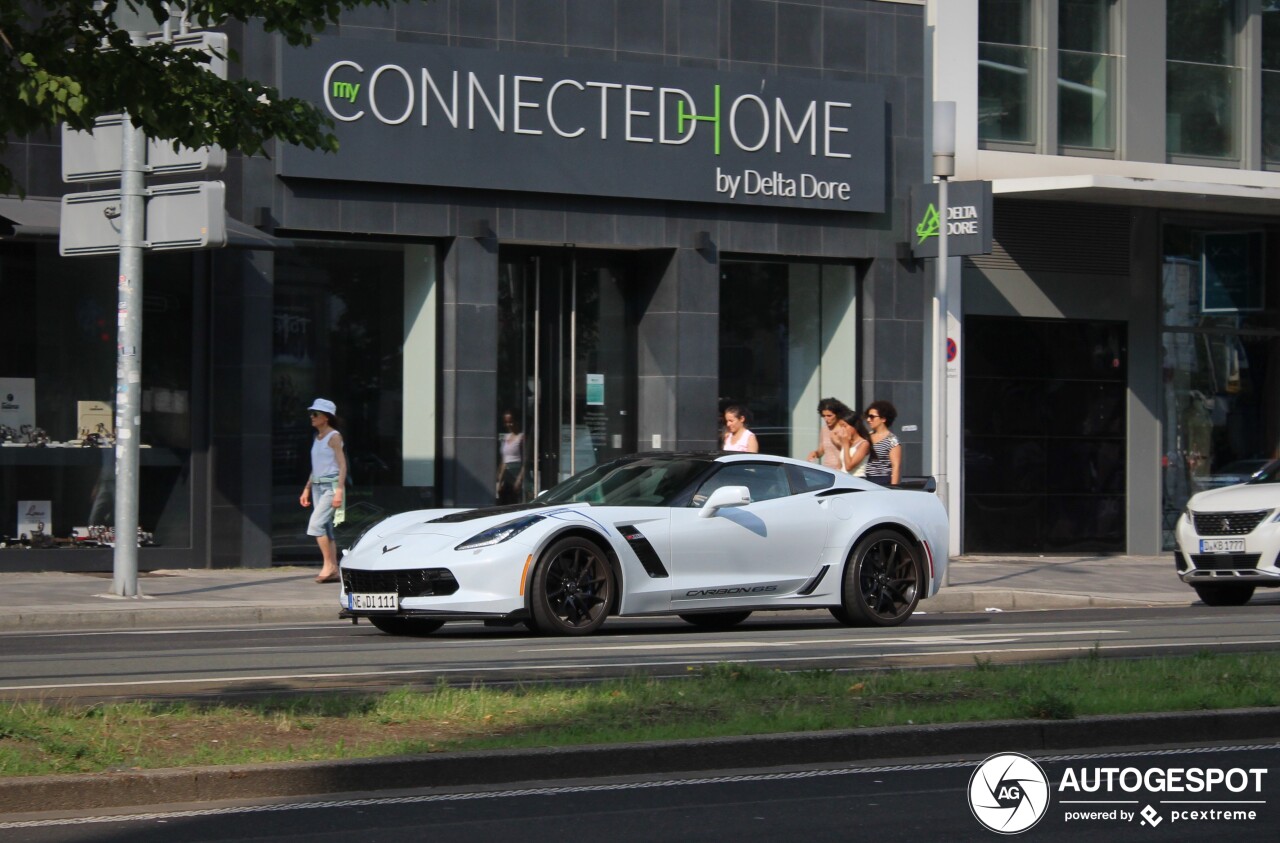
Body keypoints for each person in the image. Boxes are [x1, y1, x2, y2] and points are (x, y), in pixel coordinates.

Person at [299, 398, 347, 583]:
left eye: (315, 414)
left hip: (331, 486)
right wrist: (306, 488)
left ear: (326, 417)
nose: (312, 417)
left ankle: (329, 566)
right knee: (326, 527)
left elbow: (342, 466)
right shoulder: (317, 437)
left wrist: (339, 492)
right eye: (311, 413)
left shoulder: (334, 437)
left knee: (316, 525)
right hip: (317, 486)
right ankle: (333, 569)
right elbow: (316, 466)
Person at [807, 397, 853, 469]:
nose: (826, 419)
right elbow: (822, 449)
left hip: (841, 470)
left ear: (837, 414)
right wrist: (815, 453)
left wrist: (836, 441)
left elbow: (850, 450)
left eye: (829, 416)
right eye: (824, 416)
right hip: (827, 469)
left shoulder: (844, 429)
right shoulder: (824, 429)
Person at [863, 400, 901, 486]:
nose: (868, 420)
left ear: (883, 419)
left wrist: (893, 488)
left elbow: (896, 466)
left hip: (882, 480)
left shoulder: (892, 440)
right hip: (865, 479)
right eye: (867, 417)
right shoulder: (866, 437)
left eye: (872, 417)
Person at [496, 411, 526, 504]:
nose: (509, 424)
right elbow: (504, 460)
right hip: (506, 473)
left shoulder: (521, 437)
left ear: (517, 421)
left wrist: (519, 478)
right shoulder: (506, 437)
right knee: (503, 498)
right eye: (506, 422)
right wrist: (499, 480)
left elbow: (525, 460)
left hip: (516, 471)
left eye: (511, 422)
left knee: (515, 499)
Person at [833, 409, 872, 476]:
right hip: (844, 480)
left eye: (844, 426)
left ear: (854, 426)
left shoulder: (864, 444)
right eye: (841, 426)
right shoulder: (846, 442)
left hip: (857, 480)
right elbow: (840, 466)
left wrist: (845, 444)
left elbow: (849, 467)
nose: (842, 429)